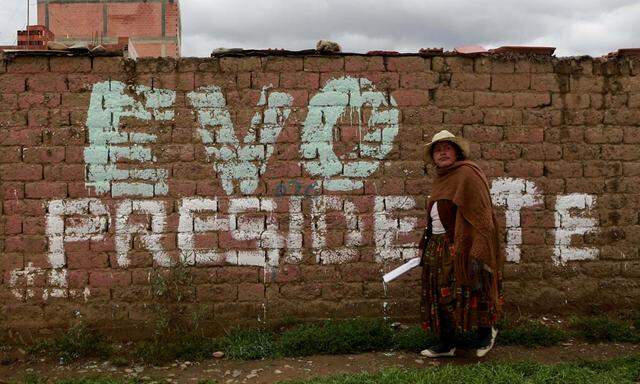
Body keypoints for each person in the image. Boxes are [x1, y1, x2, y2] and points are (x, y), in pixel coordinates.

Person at [419, 130, 504, 358]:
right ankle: (447, 343)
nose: (442, 153)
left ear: (456, 152)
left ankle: (487, 332)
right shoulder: (442, 177)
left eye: (447, 148)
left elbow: (481, 214)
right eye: (438, 150)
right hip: (438, 244)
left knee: (472, 288)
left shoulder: (467, 174)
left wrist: (478, 248)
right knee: (441, 294)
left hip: (461, 245)